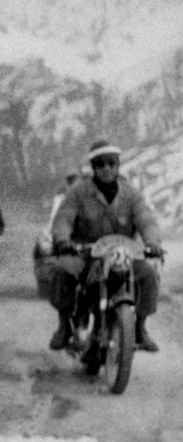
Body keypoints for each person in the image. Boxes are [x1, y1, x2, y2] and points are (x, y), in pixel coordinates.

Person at [47, 139, 164, 352]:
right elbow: (63, 218)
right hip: (87, 252)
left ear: (118, 165)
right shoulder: (78, 192)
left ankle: (140, 328)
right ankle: (64, 325)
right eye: (100, 164)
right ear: (93, 168)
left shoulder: (131, 194)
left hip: (124, 253)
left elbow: (146, 219)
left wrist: (153, 243)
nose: (106, 169)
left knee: (148, 273)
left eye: (111, 163)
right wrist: (63, 241)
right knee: (62, 271)